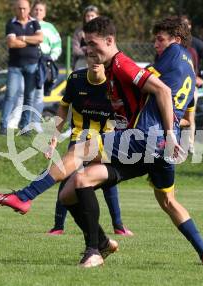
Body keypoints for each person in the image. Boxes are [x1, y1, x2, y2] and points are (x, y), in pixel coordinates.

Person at [0, 16, 203, 268]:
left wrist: (169, 131)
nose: (156, 44)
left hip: (144, 138)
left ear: (175, 39)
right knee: (73, 189)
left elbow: (161, 90)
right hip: (159, 150)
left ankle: (26, 196)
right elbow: (179, 102)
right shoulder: (185, 67)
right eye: (86, 44)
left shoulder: (147, 58)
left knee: (81, 149)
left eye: (160, 39)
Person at [45, 56, 132, 236]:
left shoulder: (115, 83)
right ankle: (58, 226)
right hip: (80, 137)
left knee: (107, 181)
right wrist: (54, 137)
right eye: (91, 55)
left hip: (106, 138)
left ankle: (118, 225)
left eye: (99, 57)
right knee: (67, 176)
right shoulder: (76, 79)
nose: (95, 60)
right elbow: (63, 107)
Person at [0, 0, 43, 135]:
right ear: (15, 9)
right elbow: (11, 43)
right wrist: (30, 41)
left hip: (32, 65)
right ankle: (3, 125)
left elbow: (40, 38)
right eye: (19, 8)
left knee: (29, 97)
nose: (22, 11)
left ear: (29, 9)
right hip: (14, 66)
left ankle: (25, 127)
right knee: (10, 95)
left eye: (24, 8)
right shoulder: (10, 23)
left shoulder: (35, 22)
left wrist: (22, 38)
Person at [180, 15, 203, 154]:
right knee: (174, 115)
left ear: (190, 26)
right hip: (174, 85)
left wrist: (202, 77)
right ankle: (174, 144)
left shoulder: (196, 43)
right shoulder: (173, 42)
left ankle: (190, 145)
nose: (184, 27)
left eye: (186, 24)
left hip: (191, 86)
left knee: (190, 116)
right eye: (181, 24)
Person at [72, 5, 99, 71]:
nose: (90, 18)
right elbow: (75, 50)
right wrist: (87, 51)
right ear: (85, 17)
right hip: (82, 61)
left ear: (97, 16)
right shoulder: (79, 32)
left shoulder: (101, 31)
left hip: (98, 61)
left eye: (92, 16)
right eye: (88, 16)